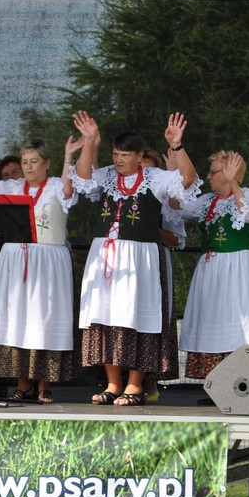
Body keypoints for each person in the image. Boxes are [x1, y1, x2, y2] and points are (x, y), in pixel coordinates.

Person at [72, 110, 198, 406]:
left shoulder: (154, 178)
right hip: (105, 255)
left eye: (125, 155)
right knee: (105, 316)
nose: (118, 160)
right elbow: (83, 177)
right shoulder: (107, 176)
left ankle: (135, 385)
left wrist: (177, 146)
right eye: (116, 154)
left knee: (136, 316)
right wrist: (89, 141)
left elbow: (187, 180)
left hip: (139, 257)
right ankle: (113, 384)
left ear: (139, 156)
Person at [0, 132, 82, 404]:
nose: (28, 167)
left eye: (34, 161)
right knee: (17, 318)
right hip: (15, 260)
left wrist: (69, 156)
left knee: (44, 319)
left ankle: (44, 383)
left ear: (47, 163)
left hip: (48, 261)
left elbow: (68, 191)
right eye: (25, 162)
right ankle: (23, 383)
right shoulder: (15, 187)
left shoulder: (56, 186)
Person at [176, 150, 249, 379]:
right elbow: (178, 208)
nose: (209, 177)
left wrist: (234, 183)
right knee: (211, 317)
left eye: (213, 172)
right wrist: (175, 175)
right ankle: (215, 378)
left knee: (238, 316)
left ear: (229, 173)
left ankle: (240, 378)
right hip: (210, 269)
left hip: (238, 268)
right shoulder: (207, 202)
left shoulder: (247, 195)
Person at [140, 148, 187, 404]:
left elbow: (177, 239)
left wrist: (148, 227)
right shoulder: (119, 194)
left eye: (149, 170)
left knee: (153, 316)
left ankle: (150, 377)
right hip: (122, 261)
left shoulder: (165, 199)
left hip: (154, 260)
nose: (144, 174)